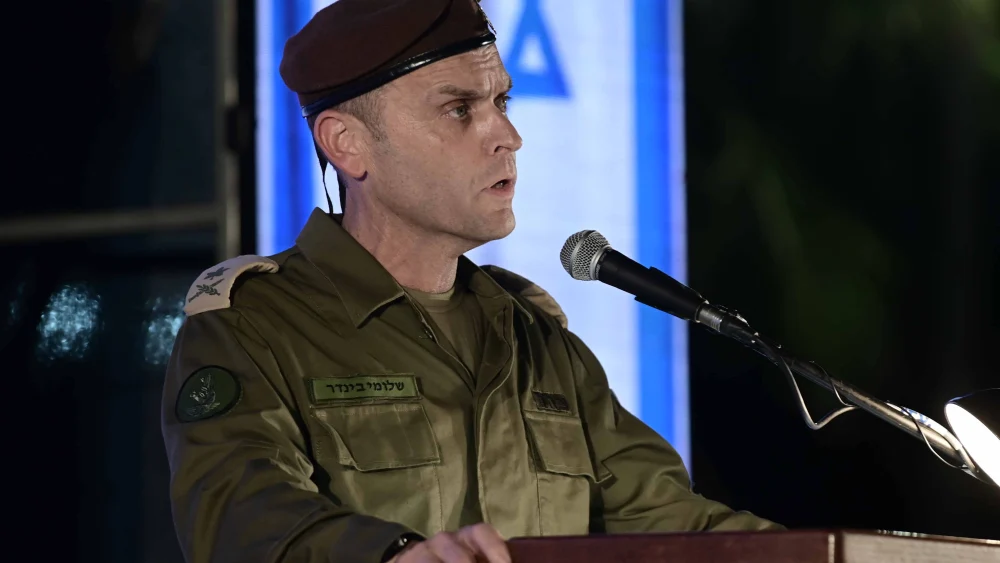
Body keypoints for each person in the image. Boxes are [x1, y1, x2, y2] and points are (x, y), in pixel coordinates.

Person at [161, 1, 782, 562]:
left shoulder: (535, 339)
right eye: (459, 109)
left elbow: (678, 528)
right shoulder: (254, 328)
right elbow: (242, 517)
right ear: (346, 145)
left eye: (501, 103)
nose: (509, 137)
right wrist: (394, 556)